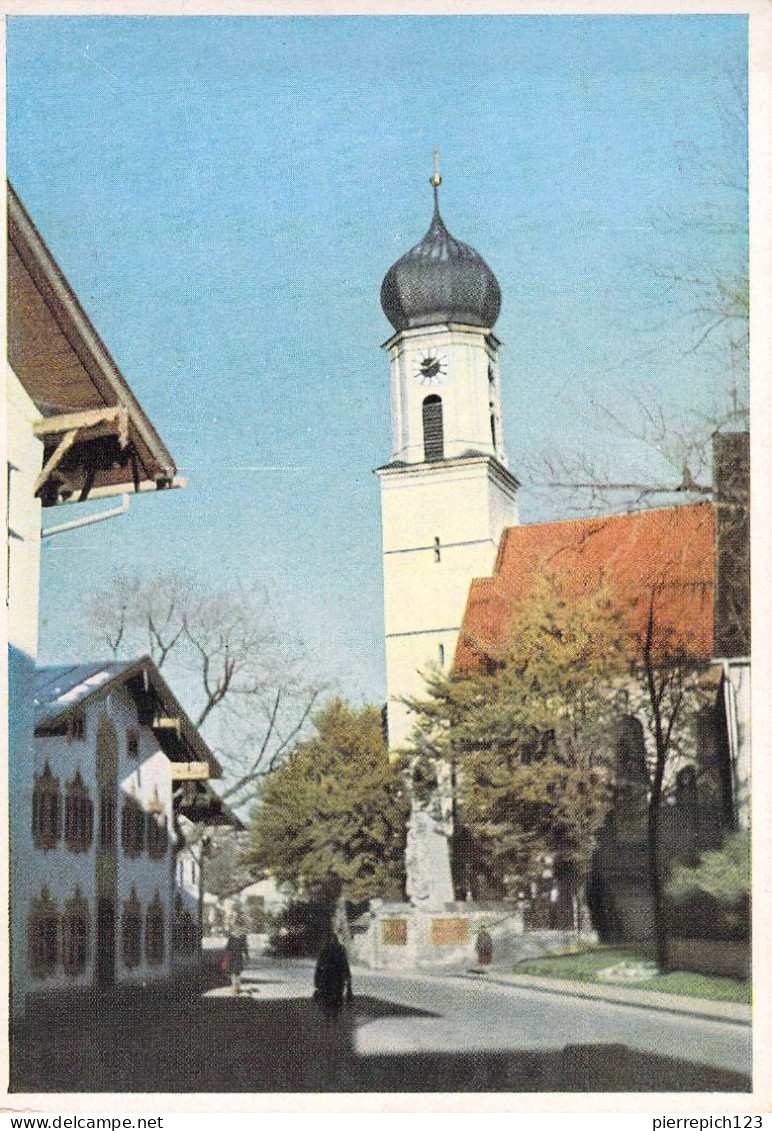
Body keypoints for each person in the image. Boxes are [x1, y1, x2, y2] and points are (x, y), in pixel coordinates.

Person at [313, 931, 352, 1013]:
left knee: (328, 1004)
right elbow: (345, 964)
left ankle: (329, 1022)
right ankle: (333, 1021)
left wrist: (317, 981)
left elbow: (319, 966)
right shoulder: (340, 949)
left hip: (327, 981)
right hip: (337, 981)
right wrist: (348, 979)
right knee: (336, 1003)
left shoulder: (325, 950)